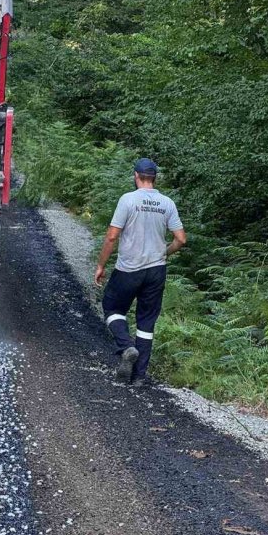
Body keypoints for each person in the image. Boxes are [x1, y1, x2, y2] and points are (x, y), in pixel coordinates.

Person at [94, 158, 186, 386]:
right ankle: (138, 377)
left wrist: (101, 265)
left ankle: (126, 347)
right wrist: (164, 253)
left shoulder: (128, 200)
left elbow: (112, 236)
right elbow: (181, 239)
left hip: (129, 268)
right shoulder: (167, 203)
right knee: (146, 320)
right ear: (154, 177)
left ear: (136, 175)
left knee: (112, 307)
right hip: (156, 270)